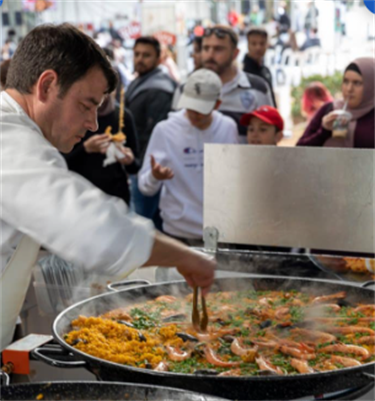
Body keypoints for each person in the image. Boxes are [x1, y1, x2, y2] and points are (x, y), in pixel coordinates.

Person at [0, 23, 215, 350]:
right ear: (46, 86)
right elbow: (88, 226)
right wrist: (186, 258)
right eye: (86, 105)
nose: (93, 124)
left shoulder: (23, 135)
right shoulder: (8, 138)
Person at [138, 69, 238, 242]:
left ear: (217, 104)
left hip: (219, 232)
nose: (194, 114)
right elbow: (145, 187)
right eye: (190, 107)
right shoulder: (165, 130)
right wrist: (155, 177)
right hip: (178, 232)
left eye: (201, 109)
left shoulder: (228, 128)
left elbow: (234, 180)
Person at [174, 25, 274, 143]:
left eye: (218, 49)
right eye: (206, 48)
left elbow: (269, 138)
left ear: (235, 53)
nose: (210, 55)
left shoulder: (258, 89)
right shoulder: (185, 90)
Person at [126, 36, 177, 229]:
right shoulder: (140, 81)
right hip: (136, 165)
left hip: (147, 169)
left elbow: (155, 136)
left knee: (145, 226)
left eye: (146, 55)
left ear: (158, 58)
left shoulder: (159, 89)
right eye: (137, 54)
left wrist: (139, 166)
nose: (140, 59)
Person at [63, 90, 139, 206]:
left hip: (115, 198)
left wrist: (129, 160)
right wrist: (85, 148)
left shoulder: (122, 117)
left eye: (106, 90)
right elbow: (59, 162)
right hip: (80, 196)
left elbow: (135, 166)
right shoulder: (72, 116)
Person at [297, 58, 375, 148]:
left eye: (357, 83)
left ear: (371, 85)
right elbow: (299, 150)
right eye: (346, 81)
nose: (349, 89)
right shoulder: (329, 109)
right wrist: (324, 131)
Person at [243, 28, 277, 107]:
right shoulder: (242, 72)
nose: (258, 48)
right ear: (248, 45)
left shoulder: (266, 71)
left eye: (262, 43)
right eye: (254, 44)